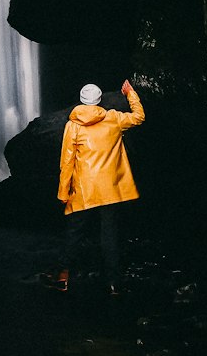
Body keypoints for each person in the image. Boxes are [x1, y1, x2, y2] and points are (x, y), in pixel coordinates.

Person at [57, 78, 145, 296]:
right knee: (110, 235)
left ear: (81, 100)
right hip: (110, 190)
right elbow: (139, 117)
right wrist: (130, 94)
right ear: (100, 100)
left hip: (84, 189)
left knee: (74, 233)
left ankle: (63, 278)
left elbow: (67, 161)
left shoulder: (73, 126)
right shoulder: (113, 118)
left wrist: (63, 192)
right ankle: (114, 283)